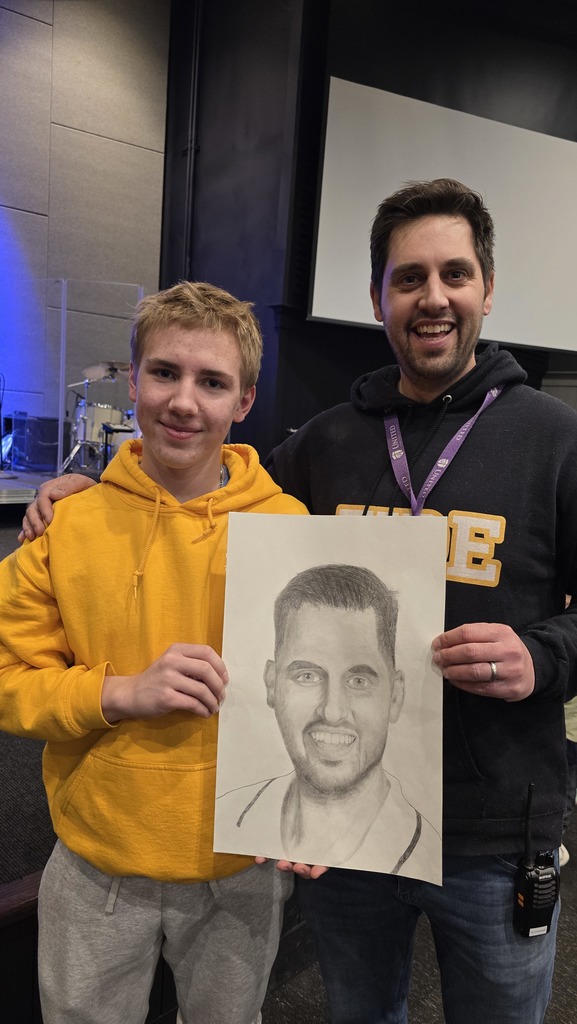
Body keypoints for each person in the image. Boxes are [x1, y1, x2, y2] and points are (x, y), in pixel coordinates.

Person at [20, 179, 577, 1023]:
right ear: (377, 298)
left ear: (486, 289)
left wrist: (542, 657)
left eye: (453, 274)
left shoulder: (555, 438)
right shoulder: (323, 444)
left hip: (496, 828)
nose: (431, 298)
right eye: (407, 278)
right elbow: (188, 479)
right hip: (341, 825)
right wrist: (89, 488)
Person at [0, 280, 308, 1024]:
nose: (183, 401)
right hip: (97, 858)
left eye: (212, 382)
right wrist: (117, 693)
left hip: (240, 866)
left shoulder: (291, 525)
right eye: (165, 372)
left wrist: (318, 808)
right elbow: (9, 681)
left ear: (243, 402)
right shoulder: (66, 525)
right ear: (133, 381)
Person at [216, 563, 441, 880]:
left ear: (395, 695)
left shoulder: (427, 848)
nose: (332, 711)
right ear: (271, 684)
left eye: (359, 681)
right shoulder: (230, 816)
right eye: (306, 676)